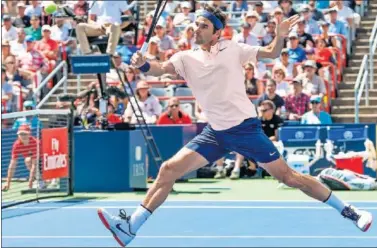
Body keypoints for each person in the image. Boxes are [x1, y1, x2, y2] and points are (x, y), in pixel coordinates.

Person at [97, 6, 372, 247]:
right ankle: (131, 227)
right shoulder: (185, 58)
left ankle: (349, 211)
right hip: (214, 133)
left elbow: (272, 52)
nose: (197, 29)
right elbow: (157, 69)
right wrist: (143, 63)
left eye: (204, 26)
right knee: (168, 170)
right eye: (197, 25)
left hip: (245, 130)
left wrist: (280, 33)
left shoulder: (234, 49)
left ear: (217, 33)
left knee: (288, 178)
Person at [2, 124, 38, 191]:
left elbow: (34, 164)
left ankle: (46, 178)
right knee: (27, 160)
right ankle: (40, 179)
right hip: (34, 161)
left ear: (29, 134)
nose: (23, 136)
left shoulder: (35, 143)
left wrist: (30, 182)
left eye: (25, 134)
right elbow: (12, 164)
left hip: (44, 158)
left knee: (29, 161)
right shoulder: (16, 144)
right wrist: (8, 183)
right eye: (21, 134)